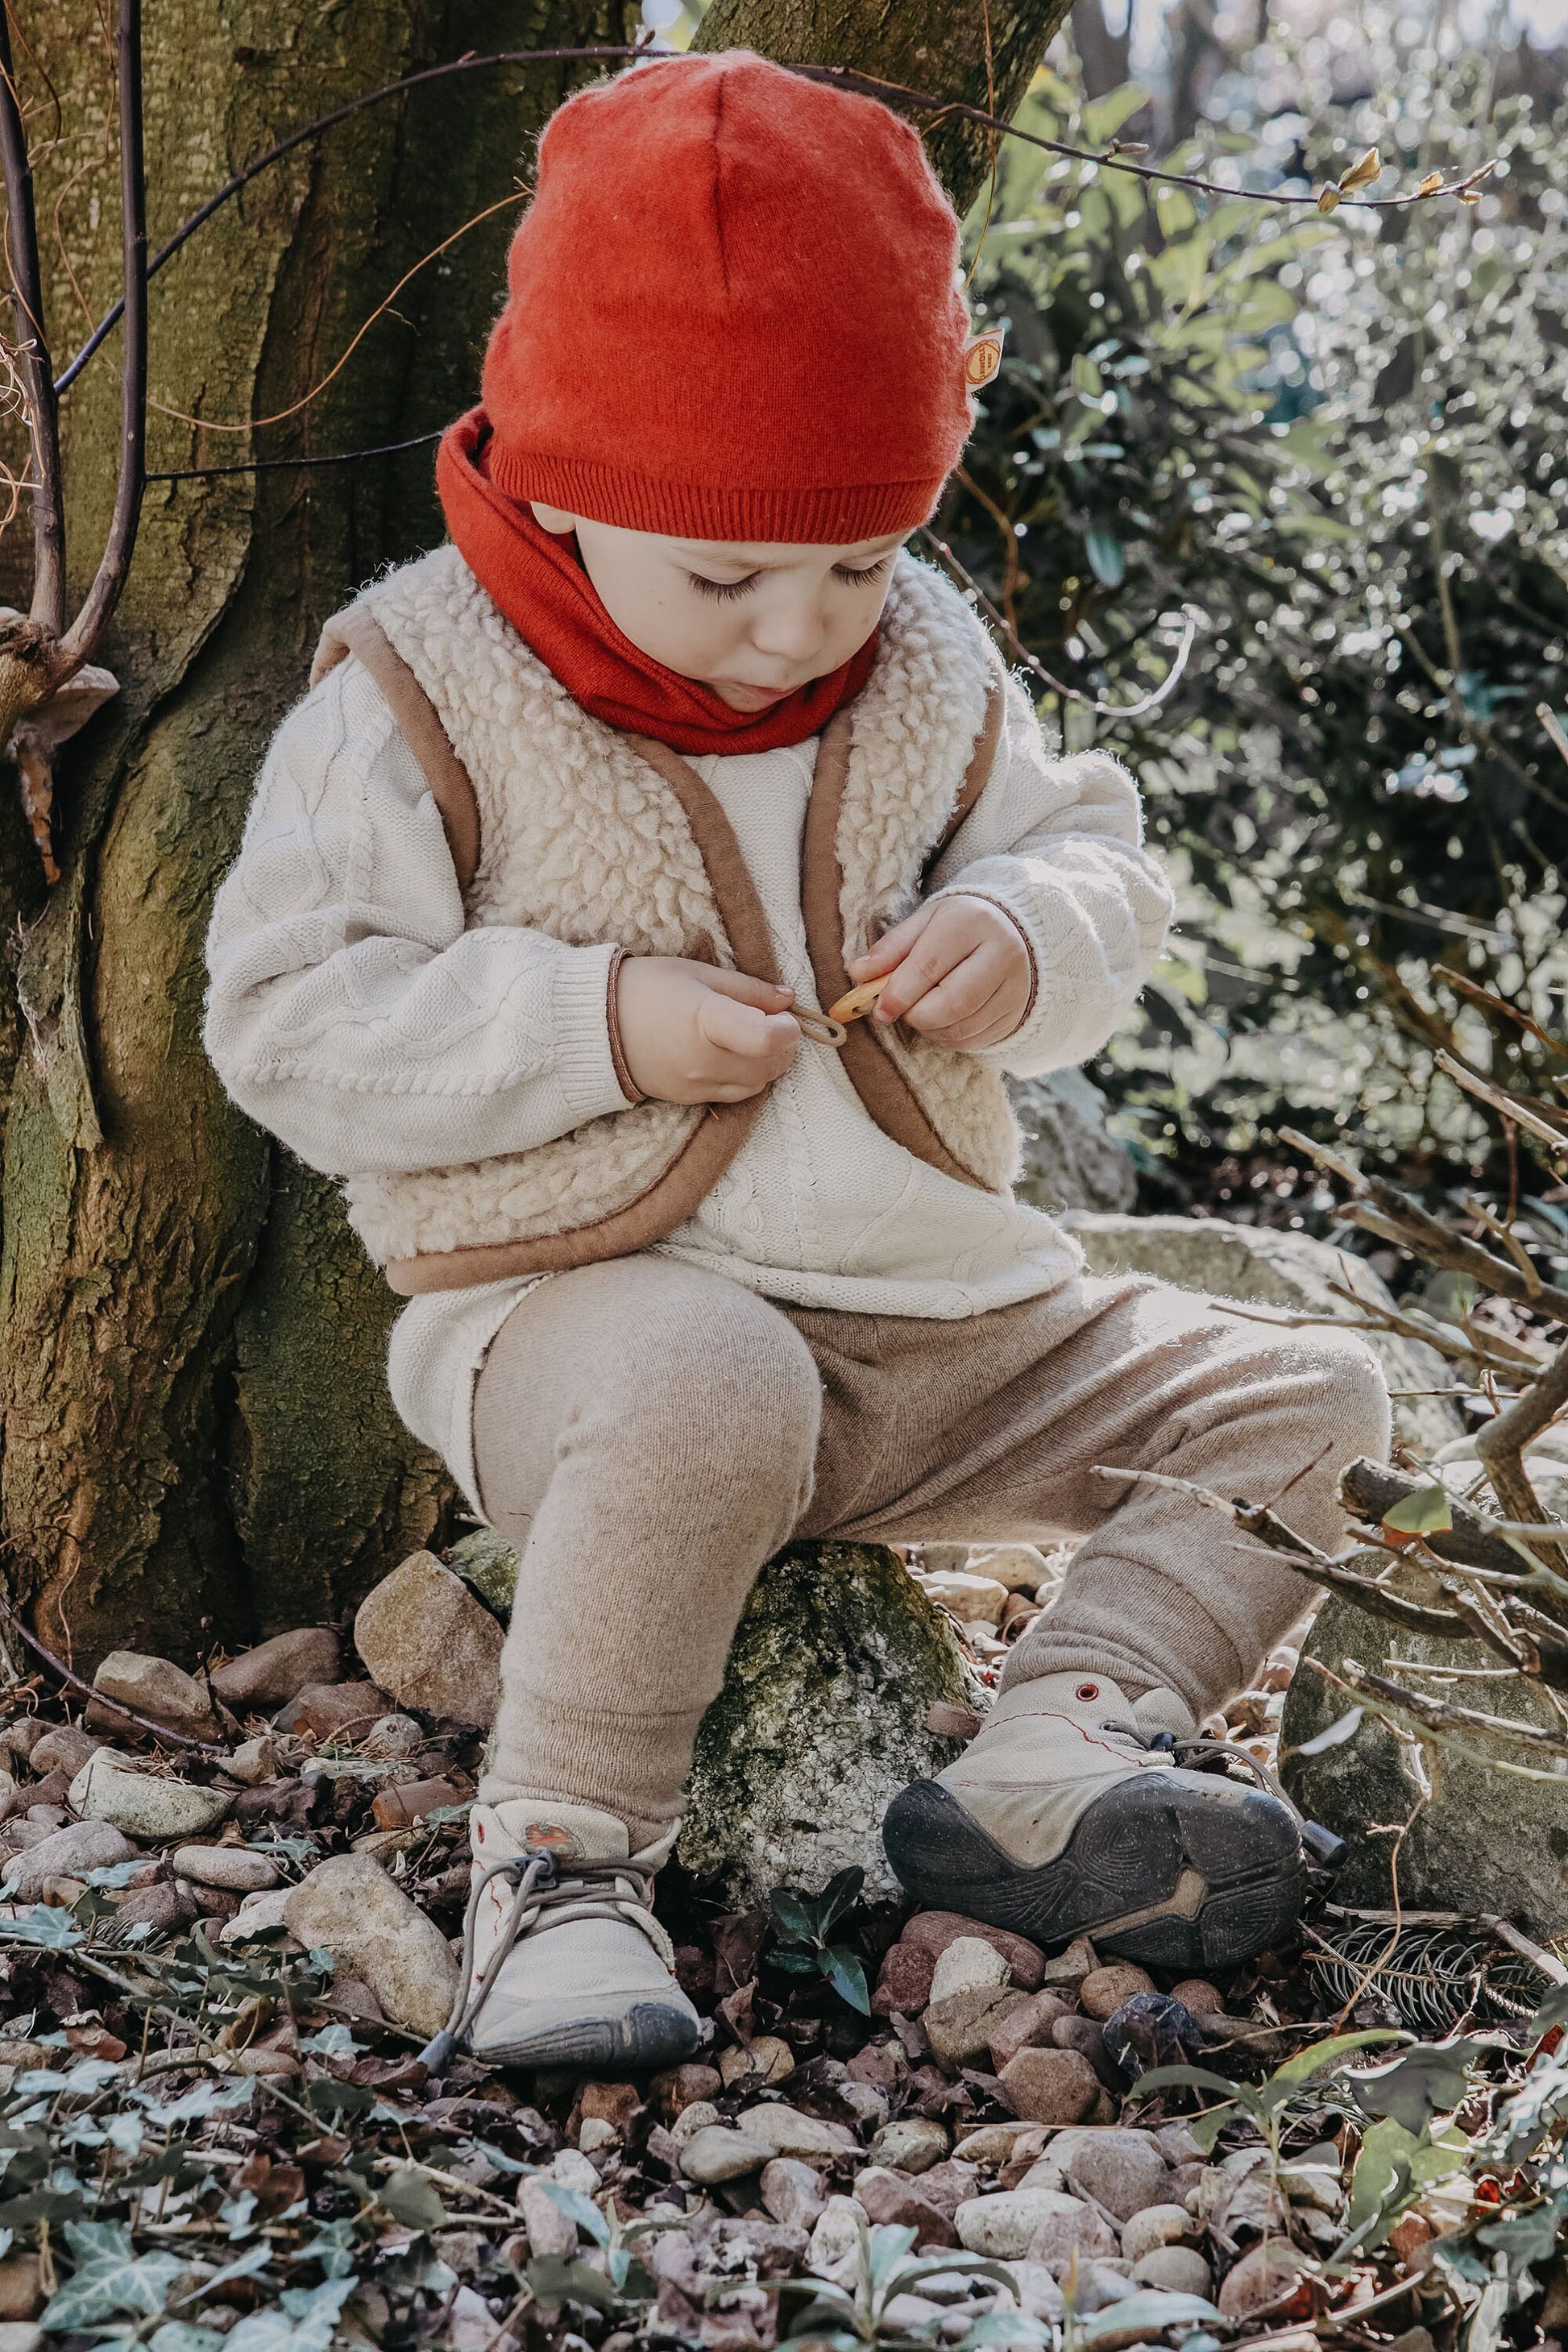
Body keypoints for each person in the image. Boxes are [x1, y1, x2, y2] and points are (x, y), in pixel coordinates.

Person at [205, 49, 1389, 2073]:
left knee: (1313, 1390)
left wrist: (1023, 935)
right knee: (709, 1378)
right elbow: (285, 1012)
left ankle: (1051, 1749)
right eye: (730, 576)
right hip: (587, 1326)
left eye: (856, 556)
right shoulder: (421, 689)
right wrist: (599, 1021)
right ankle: (558, 1867)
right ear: (563, 483)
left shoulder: (920, 656)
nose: (798, 627)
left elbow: (1093, 858)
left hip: (939, 1321)